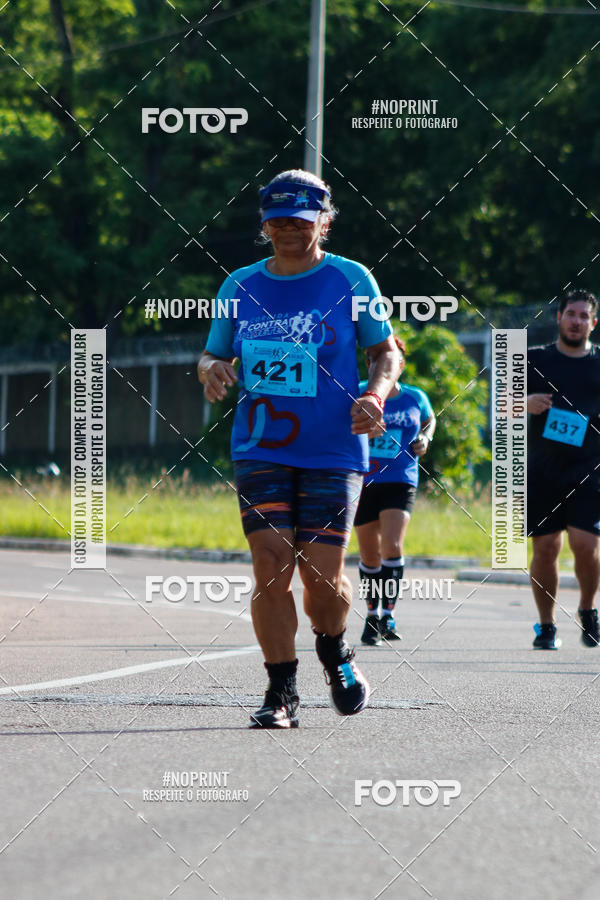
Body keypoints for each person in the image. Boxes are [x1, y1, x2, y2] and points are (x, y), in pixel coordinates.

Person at [197, 169, 400, 727]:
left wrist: (377, 395)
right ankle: (281, 690)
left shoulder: (351, 280)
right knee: (269, 563)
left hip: (334, 449)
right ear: (264, 224)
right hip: (261, 446)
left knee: (322, 575)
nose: (289, 230)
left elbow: (387, 353)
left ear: (324, 221)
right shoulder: (240, 285)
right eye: (278, 221)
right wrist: (212, 370)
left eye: (302, 221)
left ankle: (334, 649)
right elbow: (213, 354)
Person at [527, 289, 600, 650]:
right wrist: (523, 402)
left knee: (585, 545)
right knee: (545, 548)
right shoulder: (532, 359)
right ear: (559, 317)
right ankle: (546, 625)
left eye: (584, 316)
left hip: (589, 467)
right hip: (542, 468)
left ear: (593, 322)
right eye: (571, 314)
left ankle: (587, 610)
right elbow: (497, 404)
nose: (577, 321)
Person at [354, 338, 435, 644]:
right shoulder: (359, 392)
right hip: (363, 480)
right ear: (368, 364)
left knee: (392, 545)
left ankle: (388, 615)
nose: (380, 365)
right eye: (372, 360)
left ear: (399, 365)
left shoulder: (415, 397)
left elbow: (430, 420)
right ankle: (372, 616)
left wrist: (425, 438)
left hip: (401, 479)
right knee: (369, 554)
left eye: (388, 360)